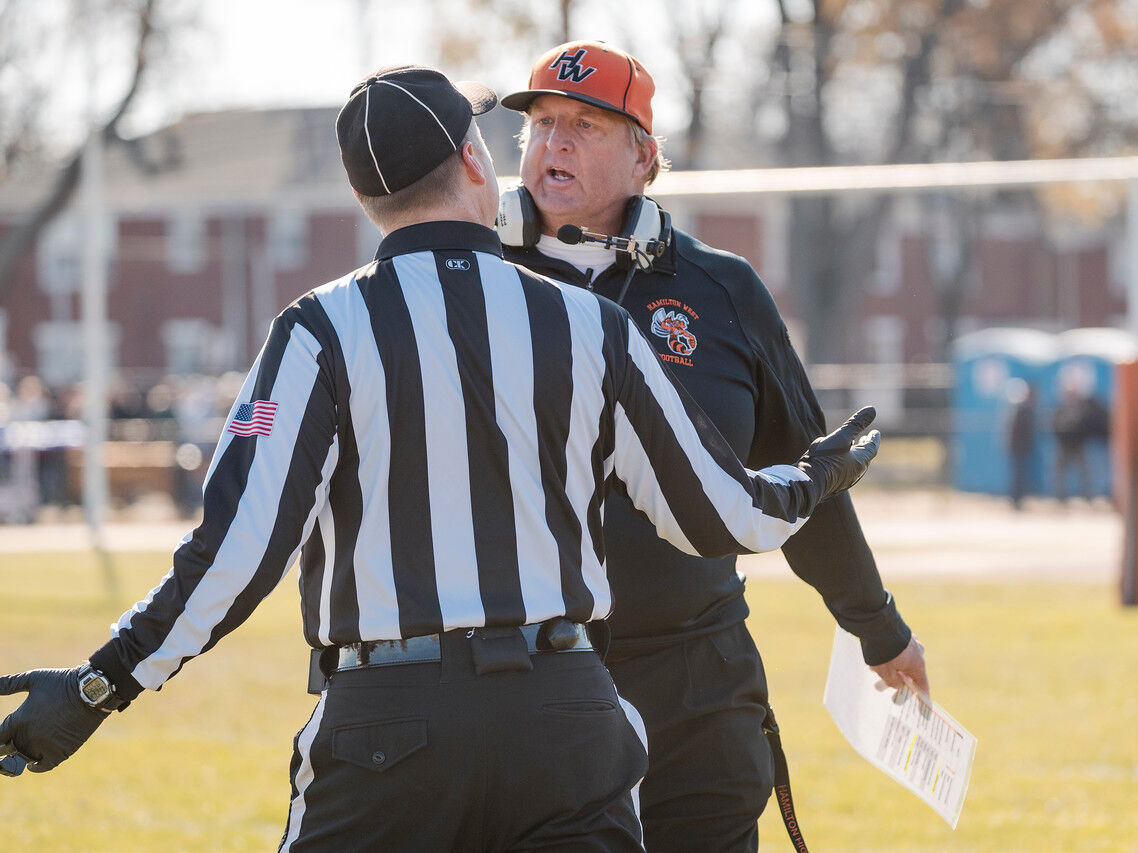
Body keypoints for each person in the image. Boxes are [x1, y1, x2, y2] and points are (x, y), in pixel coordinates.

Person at [0, 65, 883, 851]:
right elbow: (722, 517)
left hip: (390, 724)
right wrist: (817, 475)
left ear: (365, 199)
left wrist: (99, 684)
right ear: (473, 161)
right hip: (566, 715)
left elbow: (235, 554)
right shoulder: (590, 324)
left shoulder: (316, 331)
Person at [498, 40, 927, 851]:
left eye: (587, 126)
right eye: (543, 124)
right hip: (528, 685)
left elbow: (809, 467)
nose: (555, 143)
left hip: (695, 679)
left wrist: (878, 627)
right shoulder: (474, 280)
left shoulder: (721, 289)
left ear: (644, 160)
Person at [1006, 379, 1036, 510]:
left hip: (1019, 447)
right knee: (1018, 476)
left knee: (1019, 475)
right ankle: (1016, 500)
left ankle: (1017, 499)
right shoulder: (1021, 411)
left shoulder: (1018, 410)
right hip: (1019, 448)